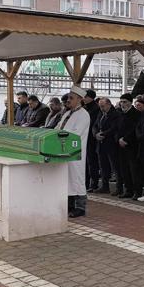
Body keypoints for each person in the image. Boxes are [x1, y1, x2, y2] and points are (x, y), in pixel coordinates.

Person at [56, 85, 90, 218]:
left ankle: (80, 207)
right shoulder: (67, 113)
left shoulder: (84, 115)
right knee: (67, 178)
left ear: (79, 99)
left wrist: (61, 134)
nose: (68, 100)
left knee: (77, 178)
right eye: (68, 97)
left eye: (71, 98)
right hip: (65, 150)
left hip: (76, 151)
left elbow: (76, 133)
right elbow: (58, 127)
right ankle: (69, 205)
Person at [93, 98, 122, 195]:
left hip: (111, 143)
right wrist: (96, 134)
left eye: (103, 106)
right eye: (100, 106)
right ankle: (105, 186)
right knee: (103, 166)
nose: (101, 108)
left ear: (109, 104)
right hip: (100, 144)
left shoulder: (115, 114)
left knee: (115, 167)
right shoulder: (101, 114)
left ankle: (119, 187)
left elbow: (114, 128)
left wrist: (103, 134)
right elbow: (95, 125)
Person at [116, 93, 141, 200]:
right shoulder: (120, 114)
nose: (122, 104)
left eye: (125, 102)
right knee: (124, 169)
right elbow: (117, 128)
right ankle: (128, 189)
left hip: (132, 145)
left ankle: (137, 191)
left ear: (130, 102)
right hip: (121, 146)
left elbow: (135, 129)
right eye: (121, 102)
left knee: (134, 170)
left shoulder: (136, 114)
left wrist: (125, 139)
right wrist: (119, 139)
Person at [83, 89, 100, 193]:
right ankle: (86, 183)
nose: (83, 99)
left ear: (90, 97)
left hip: (91, 139)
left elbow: (91, 123)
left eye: (85, 97)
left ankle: (94, 184)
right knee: (85, 162)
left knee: (92, 162)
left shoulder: (95, 109)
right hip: (85, 138)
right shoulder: (85, 108)